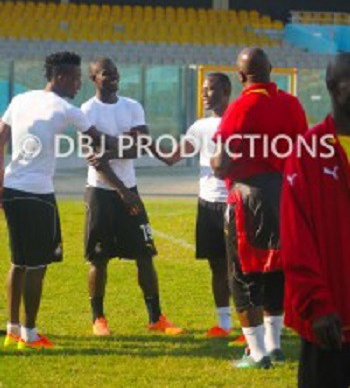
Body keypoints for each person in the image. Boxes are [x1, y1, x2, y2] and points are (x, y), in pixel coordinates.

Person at [0, 51, 112, 350]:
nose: (78, 85)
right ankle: (31, 334)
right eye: (76, 79)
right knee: (37, 265)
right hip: (38, 194)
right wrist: (131, 143)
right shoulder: (66, 108)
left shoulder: (20, 99)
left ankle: (12, 329)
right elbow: (97, 137)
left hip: (10, 189)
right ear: (60, 77)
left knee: (18, 261)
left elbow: (0, 139)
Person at [211, 47, 308, 369]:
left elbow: (222, 165)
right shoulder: (291, 104)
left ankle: (256, 352)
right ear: (272, 70)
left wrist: (215, 162)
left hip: (249, 195)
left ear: (240, 77)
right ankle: (275, 345)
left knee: (242, 274)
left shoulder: (240, 107)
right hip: (284, 194)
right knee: (276, 270)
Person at [81, 57, 185, 336]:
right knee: (98, 259)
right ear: (94, 78)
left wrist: (110, 147)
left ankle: (156, 318)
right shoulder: (87, 110)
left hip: (130, 189)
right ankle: (98, 319)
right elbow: (96, 162)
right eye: (105, 73)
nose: (113, 76)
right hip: (101, 192)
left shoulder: (132, 107)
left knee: (144, 253)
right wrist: (123, 190)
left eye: (115, 71)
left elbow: (138, 148)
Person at [281, 53, 350, 388]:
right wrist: (317, 304)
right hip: (330, 322)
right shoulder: (307, 151)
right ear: (333, 88)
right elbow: (296, 238)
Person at [159, 72, 241, 337]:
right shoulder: (200, 126)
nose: (205, 94)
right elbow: (173, 158)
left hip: (234, 202)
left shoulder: (240, 120)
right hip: (207, 205)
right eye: (203, 89)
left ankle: (251, 325)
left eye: (211, 89)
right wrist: (143, 142)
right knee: (217, 266)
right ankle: (224, 324)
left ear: (226, 92)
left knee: (240, 268)